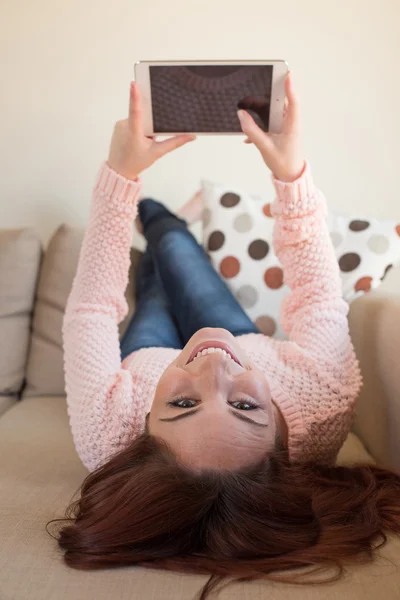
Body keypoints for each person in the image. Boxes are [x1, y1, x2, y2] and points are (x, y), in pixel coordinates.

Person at [50, 73, 400, 600]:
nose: (212, 365)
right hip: (247, 340)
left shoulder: (107, 434)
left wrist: (121, 175)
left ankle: (156, 221)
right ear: (285, 444)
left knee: (156, 287)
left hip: (145, 358)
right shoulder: (325, 403)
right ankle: (166, 221)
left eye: (184, 403)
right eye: (244, 407)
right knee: (179, 259)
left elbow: (94, 309)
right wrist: (290, 173)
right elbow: (316, 295)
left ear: (142, 429)